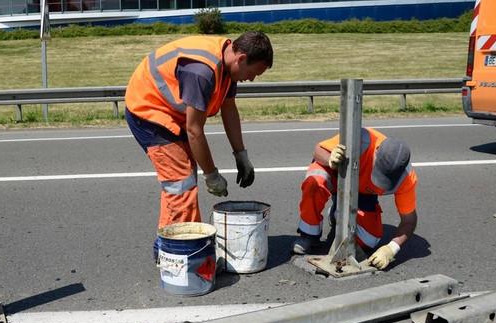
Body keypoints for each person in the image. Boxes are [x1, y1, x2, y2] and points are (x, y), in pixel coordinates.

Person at [125, 31, 274, 229]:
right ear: (242, 58)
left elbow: (228, 108)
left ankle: (176, 243)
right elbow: (195, 131)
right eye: (253, 73)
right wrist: (212, 175)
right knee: (180, 182)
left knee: (182, 182)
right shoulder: (201, 72)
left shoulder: (228, 62)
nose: (252, 79)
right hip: (148, 111)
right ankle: (181, 249)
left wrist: (241, 155)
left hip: (172, 113)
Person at [293, 127, 418, 270]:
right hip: (337, 174)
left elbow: (409, 220)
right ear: (375, 154)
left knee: (369, 241)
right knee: (315, 181)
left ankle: (337, 214)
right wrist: (330, 160)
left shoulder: (407, 178)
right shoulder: (362, 140)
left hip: (363, 194)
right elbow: (317, 150)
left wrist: (391, 248)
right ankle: (309, 235)